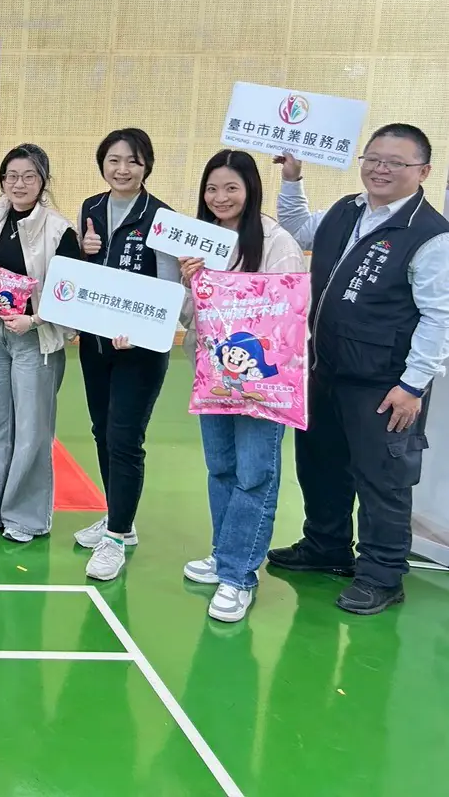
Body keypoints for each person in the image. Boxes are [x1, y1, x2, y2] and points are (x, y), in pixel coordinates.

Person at [268, 124, 448, 614]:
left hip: (384, 383)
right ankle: (325, 546)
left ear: (423, 172)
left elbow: (440, 317)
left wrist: (412, 385)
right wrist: (292, 179)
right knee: (320, 463)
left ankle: (382, 575)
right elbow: (298, 227)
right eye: (374, 158)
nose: (381, 169)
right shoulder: (347, 209)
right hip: (326, 369)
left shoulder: (431, 236)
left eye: (396, 162)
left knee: (381, 479)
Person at [177, 150, 305, 623]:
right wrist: (191, 284)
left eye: (231, 187)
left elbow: (290, 313)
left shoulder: (276, 241)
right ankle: (224, 553)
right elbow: (188, 317)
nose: (220, 197)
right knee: (222, 468)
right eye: (212, 189)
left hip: (261, 382)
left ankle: (239, 576)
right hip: (213, 376)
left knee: (255, 473)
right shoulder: (199, 242)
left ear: (251, 189)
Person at [74, 127, 180, 581]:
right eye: (114, 160)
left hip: (140, 349)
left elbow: (170, 287)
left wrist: (142, 331)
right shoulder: (91, 208)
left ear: (146, 166)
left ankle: (116, 538)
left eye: (132, 161)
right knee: (101, 431)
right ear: (102, 164)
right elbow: (85, 275)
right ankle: (120, 518)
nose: (122, 169)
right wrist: (83, 251)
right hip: (96, 342)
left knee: (124, 437)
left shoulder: (162, 217)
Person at [0, 144, 81, 542]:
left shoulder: (60, 231)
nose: (19, 184)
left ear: (43, 181)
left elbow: (71, 295)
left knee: (32, 430)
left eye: (29, 177)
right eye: (12, 176)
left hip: (36, 338)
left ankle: (25, 518)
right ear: (2, 181)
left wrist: (33, 319)